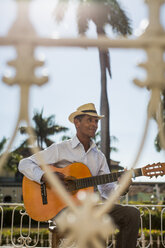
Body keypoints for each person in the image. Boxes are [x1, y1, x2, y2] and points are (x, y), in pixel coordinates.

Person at [18, 103, 140, 248]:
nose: (94, 124)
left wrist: (123, 187)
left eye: (96, 121)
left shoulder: (99, 157)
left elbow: (107, 191)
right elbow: (24, 164)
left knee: (132, 214)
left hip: (87, 208)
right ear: (77, 122)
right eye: (90, 120)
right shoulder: (61, 149)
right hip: (61, 210)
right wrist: (45, 176)